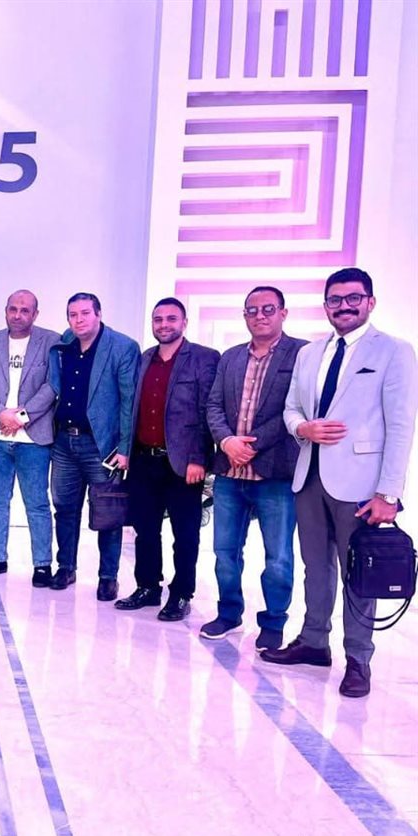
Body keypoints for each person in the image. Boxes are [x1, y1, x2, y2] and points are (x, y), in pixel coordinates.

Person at [265, 268, 418, 698]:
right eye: (335, 299)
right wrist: (302, 429)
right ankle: (314, 642)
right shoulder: (310, 353)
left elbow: (401, 426)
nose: (344, 306)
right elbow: (291, 408)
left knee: (358, 574)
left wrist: (389, 493)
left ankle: (358, 659)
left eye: (353, 298)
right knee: (315, 568)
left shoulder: (394, 351)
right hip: (309, 476)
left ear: (370, 302)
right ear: (326, 305)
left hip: (361, 486)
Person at [201, 286, 306, 650]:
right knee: (225, 553)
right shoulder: (230, 357)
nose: (259, 316)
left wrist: (250, 445)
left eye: (268, 309)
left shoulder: (302, 354)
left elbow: (296, 410)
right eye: (252, 310)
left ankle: (274, 622)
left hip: (275, 474)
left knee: (278, 557)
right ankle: (229, 613)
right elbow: (213, 406)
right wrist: (226, 441)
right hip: (229, 474)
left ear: (283, 313)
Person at [114, 298, 219, 621]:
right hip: (144, 460)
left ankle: (181, 593)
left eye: (171, 319)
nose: (164, 325)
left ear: (184, 322)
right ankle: (147, 587)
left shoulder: (203, 358)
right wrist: (126, 451)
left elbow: (207, 411)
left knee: (185, 534)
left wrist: (199, 458)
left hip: (183, 464)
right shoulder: (145, 358)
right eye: (158, 319)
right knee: (145, 530)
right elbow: (132, 408)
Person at [47, 292, 140, 600]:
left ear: (99, 313)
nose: (79, 320)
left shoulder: (122, 347)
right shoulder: (65, 343)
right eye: (73, 314)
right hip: (64, 442)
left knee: (107, 512)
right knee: (64, 508)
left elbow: (128, 401)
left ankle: (108, 576)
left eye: (85, 313)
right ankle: (66, 567)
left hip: (102, 446)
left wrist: (125, 448)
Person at [0, 289, 58, 583]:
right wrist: (1, 414)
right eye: (13, 309)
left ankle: (42, 565)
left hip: (33, 438)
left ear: (35, 314)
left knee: (37, 504)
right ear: (5, 310)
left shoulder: (51, 341)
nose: (18, 315)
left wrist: (20, 417)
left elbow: (52, 385)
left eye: (24, 310)